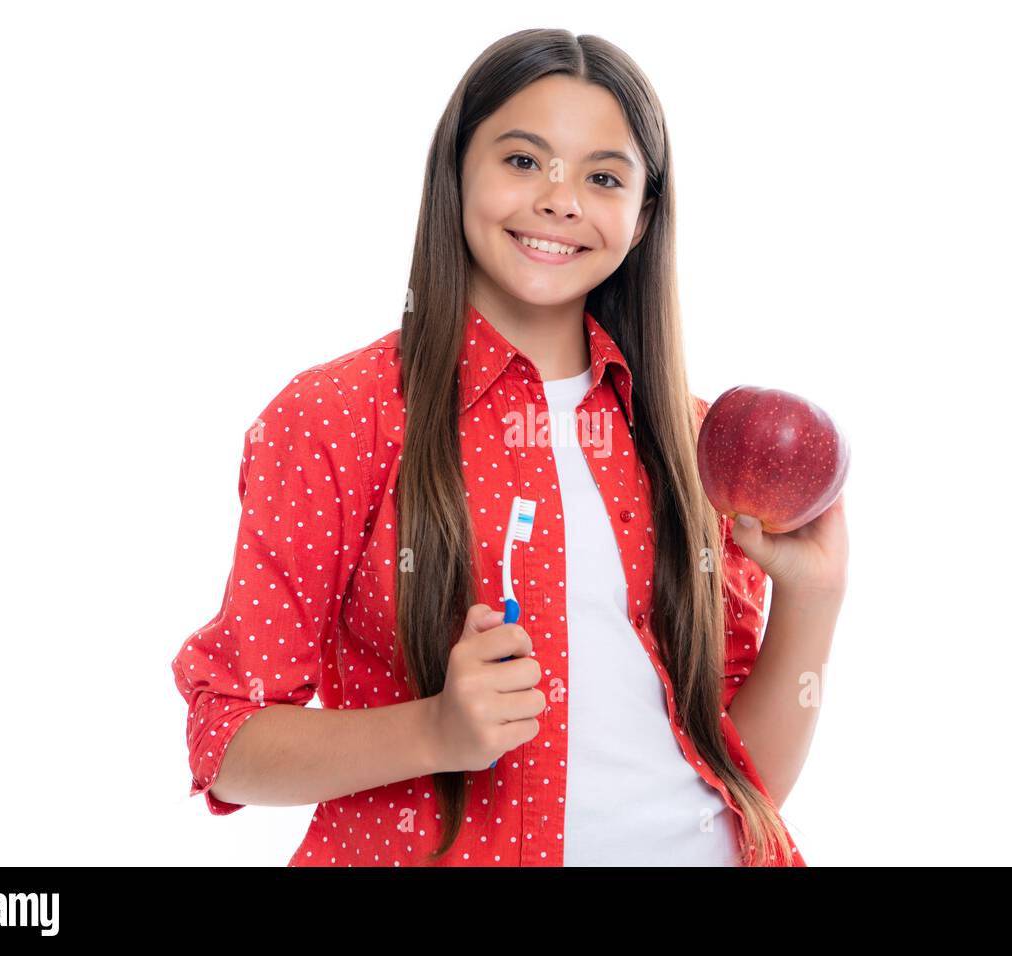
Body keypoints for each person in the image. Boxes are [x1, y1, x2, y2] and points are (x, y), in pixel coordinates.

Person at [170, 27, 848, 867]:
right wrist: (434, 731)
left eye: (603, 177)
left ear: (642, 217)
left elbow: (747, 780)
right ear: (456, 171)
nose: (561, 200)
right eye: (524, 161)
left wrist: (814, 599)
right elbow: (226, 739)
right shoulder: (334, 417)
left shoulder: (692, 441)